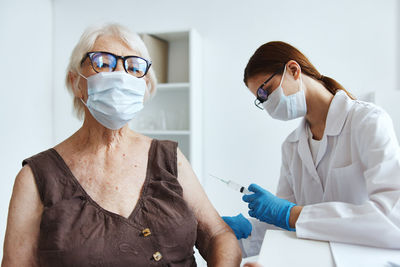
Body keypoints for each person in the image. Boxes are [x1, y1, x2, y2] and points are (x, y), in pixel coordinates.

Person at [2, 23, 241, 266]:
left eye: (134, 67)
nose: (120, 75)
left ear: (145, 85)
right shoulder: (35, 177)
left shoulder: (168, 157)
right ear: (76, 83)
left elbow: (217, 235)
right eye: (104, 63)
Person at [223, 41, 400, 257]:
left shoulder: (367, 121)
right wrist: (247, 232)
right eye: (260, 99)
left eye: (265, 91)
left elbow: (392, 217)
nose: (266, 102)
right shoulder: (292, 146)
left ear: (293, 70)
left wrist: (291, 214)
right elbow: (285, 224)